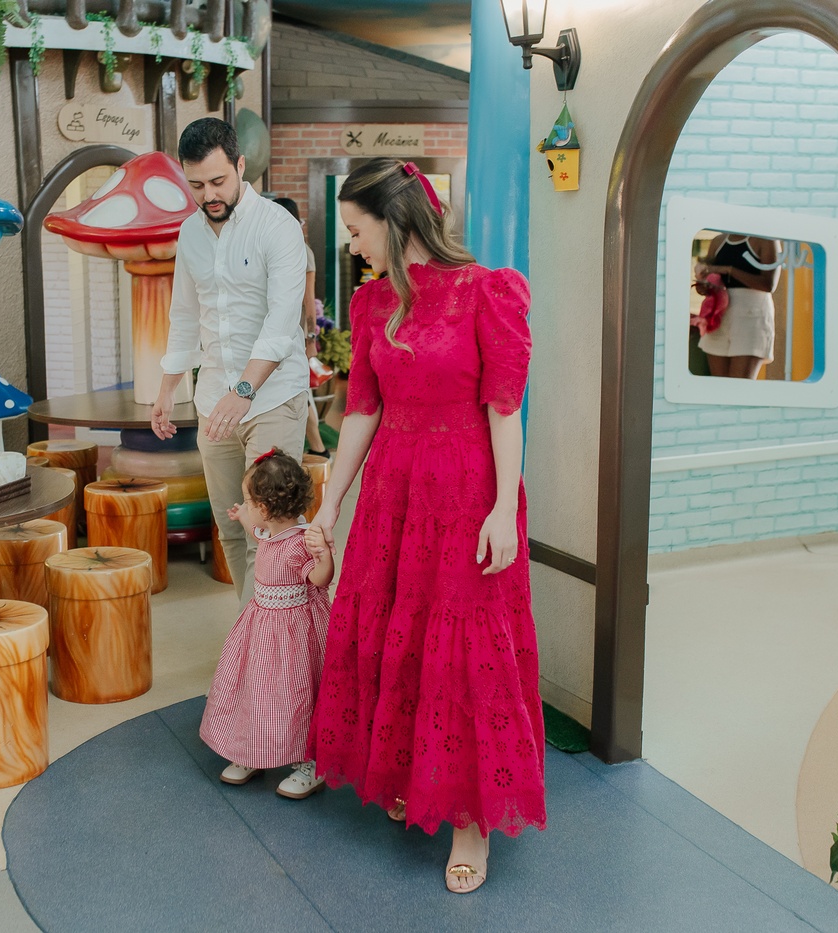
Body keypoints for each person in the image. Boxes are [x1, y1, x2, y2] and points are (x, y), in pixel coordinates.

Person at [305, 158, 544, 894]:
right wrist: (330, 504)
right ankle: (417, 777)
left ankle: (471, 822)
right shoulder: (372, 302)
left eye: (356, 229)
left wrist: (502, 508)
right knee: (399, 640)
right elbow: (361, 411)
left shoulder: (485, 290)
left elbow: (504, 408)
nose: (351, 244)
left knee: (466, 653)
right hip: (394, 493)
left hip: (467, 490)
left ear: (395, 219)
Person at [153, 118, 311, 605]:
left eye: (218, 181)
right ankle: (253, 636)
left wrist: (243, 391)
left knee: (271, 533)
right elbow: (184, 316)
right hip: (213, 404)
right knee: (232, 530)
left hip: (272, 399)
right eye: (197, 185)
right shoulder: (190, 234)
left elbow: (281, 325)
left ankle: (277, 641)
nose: (209, 195)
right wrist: (167, 390)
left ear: (241, 166)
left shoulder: (277, 227)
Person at [200, 448, 334, 799]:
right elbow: (258, 533)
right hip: (260, 628)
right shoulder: (271, 530)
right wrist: (242, 518)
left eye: (248, 501)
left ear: (266, 507)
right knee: (256, 688)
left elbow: (320, 579)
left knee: (294, 694)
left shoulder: (299, 542)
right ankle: (253, 749)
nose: (245, 506)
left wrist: (323, 554)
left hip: (292, 636)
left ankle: (309, 763)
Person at [272, 196, 331, 457]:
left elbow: (309, 300)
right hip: (275, 336)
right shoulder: (274, 248)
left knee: (299, 394)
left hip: (295, 338)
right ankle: (316, 450)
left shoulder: (302, 251)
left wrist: (310, 340)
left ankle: (318, 449)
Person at [694, 233, 780, 379]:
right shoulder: (717, 241)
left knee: (740, 384)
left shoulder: (766, 240)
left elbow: (768, 284)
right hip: (719, 316)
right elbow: (710, 279)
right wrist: (703, 285)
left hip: (751, 316)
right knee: (719, 385)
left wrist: (729, 270)